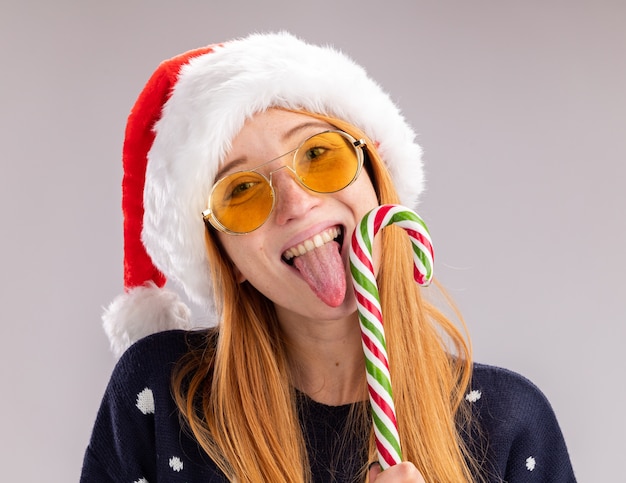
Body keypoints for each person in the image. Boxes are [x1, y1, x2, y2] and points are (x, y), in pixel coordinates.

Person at [81, 32, 576, 482]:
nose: (296, 204)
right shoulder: (161, 399)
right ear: (227, 256)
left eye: (318, 155)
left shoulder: (509, 424)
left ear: (376, 180)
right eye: (244, 189)